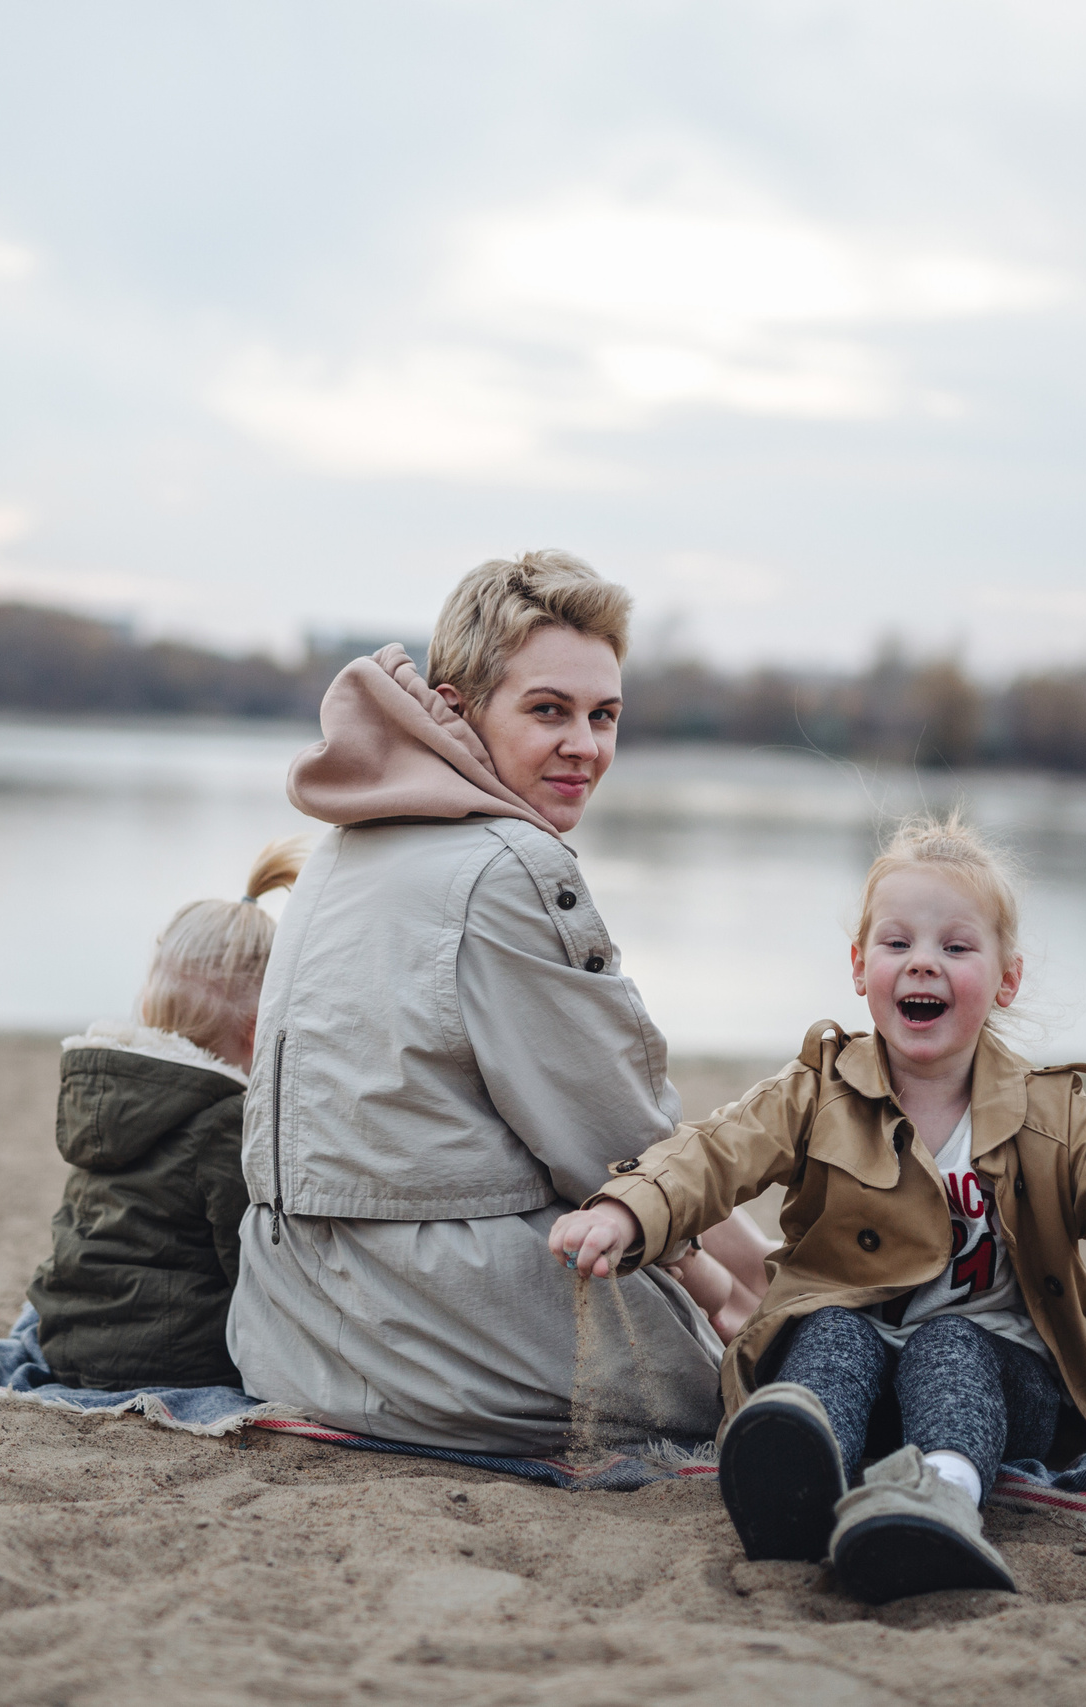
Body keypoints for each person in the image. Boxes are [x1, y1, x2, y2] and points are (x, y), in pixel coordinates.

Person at [550, 813, 1086, 1602]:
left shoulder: (1050, 1114)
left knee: (952, 1339)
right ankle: (799, 1482)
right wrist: (626, 1210)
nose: (923, 962)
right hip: (854, 1387)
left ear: (1005, 979)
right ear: (860, 966)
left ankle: (940, 1499)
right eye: (898, 944)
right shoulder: (818, 1090)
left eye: (955, 947)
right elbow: (711, 1152)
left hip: (998, 1384)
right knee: (832, 1327)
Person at [225, 550, 767, 1454]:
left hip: (288, 1330)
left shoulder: (343, 840)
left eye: (605, 716)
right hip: (435, 1343)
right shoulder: (510, 866)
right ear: (460, 704)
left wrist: (739, 1265)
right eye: (549, 710)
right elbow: (619, 1139)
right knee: (791, 1357)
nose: (585, 746)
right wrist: (738, 1288)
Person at [24, 839, 306, 1391]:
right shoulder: (225, 1119)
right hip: (169, 1358)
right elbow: (246, 1260)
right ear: (259, 1030)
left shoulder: (109, 1097)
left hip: (67, 1339)